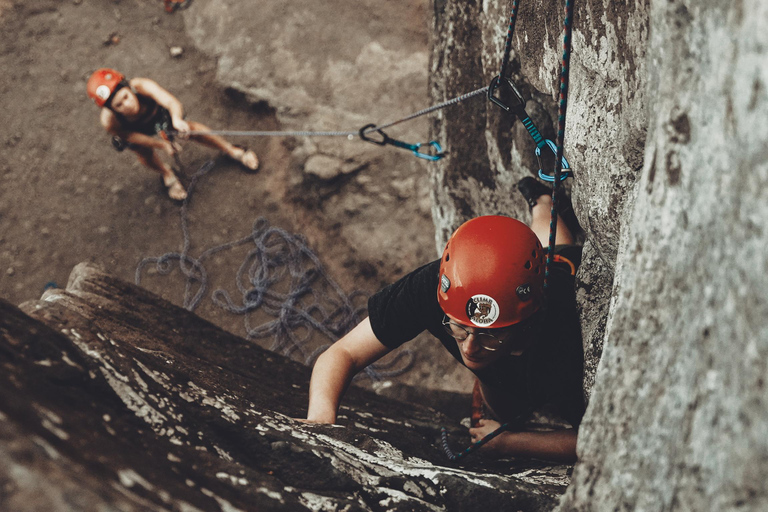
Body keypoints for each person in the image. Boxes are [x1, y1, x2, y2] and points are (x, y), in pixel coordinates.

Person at [304, 177, 585, 463]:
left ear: (526, 322)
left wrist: (511, 443)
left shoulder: (567, 329)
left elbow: (593, 438)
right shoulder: (435, 288)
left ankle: (544, 204)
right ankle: (542, 201)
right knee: (502, 402)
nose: (469, 348)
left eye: (489, 335)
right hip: (504, 366)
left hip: (564, 272)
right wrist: (320, 422)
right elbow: (343, 353)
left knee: (556, 250)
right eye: (459, 330)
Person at [86, 68, 259, 201]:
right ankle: (166, 173)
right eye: (119, 105)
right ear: (111, 109)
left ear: (128, 88)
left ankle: (231, 150)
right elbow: (130, 136)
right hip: (136, 129)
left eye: (126, 97)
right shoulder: (110, 122)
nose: (127, 104)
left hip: (157, 114)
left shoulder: (142, 86)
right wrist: (162, 145)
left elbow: (169, 101)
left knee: (190, 130)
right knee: (143, 152)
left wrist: (176, 120)